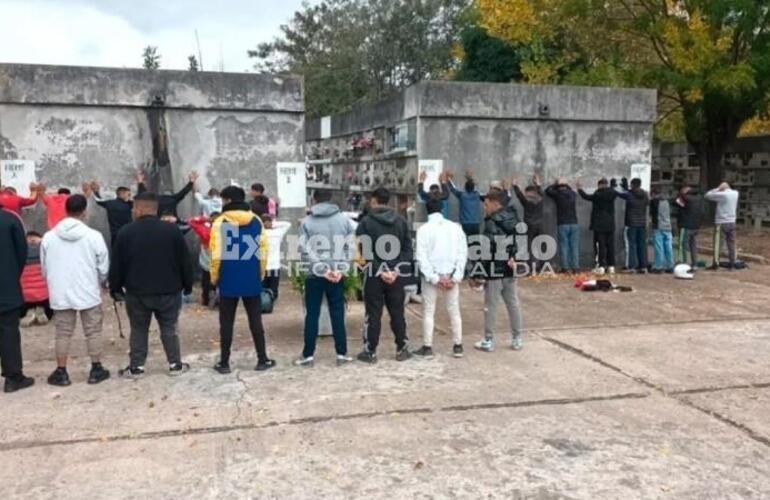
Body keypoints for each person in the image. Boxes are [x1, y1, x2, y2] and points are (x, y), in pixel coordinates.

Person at [109, 192, 194, 378]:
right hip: (169, 290)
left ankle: (137, 367)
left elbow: (117, 265)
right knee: (169, 327)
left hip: (137, 292)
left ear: (139, 209)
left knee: (139, 329)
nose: (132, 211)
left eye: (133, 208)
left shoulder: (125, 232)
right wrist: (188, 285)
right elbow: (184, 261)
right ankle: (175, 365)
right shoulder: (172, 231)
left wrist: (115, 288)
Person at [41, 195, 110, 386]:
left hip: (60, 291)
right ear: (84, 212)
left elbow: (44, 268)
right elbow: (103, 265)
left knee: (63, 332)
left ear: (65, 210)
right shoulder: (94, 236)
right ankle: (96, 369)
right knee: (93, 331)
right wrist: (100, 281)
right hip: (87, 289)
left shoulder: (49, 237)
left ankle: (61, 371)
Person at [207, 186, 275, 373]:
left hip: (228, 276)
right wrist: (259, 274)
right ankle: (263, 359)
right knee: (255, 320)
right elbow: (263, 251)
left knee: (226, 322)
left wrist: (214, 277)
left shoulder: (220, 222)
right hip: (250, 274)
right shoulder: (255, 221)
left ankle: (224, 363)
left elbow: (216, 254)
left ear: (227, 200)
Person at [294, 190, 356, 367]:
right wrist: (340, 269)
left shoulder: (307, 222)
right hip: (336, 275)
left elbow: (304, 249)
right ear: (330, 199)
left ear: (314, 200)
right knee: (337, 313)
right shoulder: (344, 221)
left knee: (312, 314)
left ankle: (308, 356)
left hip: (314, 274)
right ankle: (341, 354)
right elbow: (350, 248)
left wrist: (321, 268)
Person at [355, 187, 414, 364]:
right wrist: (395, 270)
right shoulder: (401, 222)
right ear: (388, 201)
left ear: (374, 200)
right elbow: (408, 250)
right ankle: (402, 348)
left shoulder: (365, 223)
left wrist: (380, 269)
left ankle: (370, 351)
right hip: (396, 276)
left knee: (373, 313)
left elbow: (363, 251)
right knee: (397, 312)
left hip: (373, 275)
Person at [470, 189, 524, 352]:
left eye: (486, 205)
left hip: (495, 270)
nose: (484, 208)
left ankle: (488, 340)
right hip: (510, 268)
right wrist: (516, 258)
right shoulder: (515, 218)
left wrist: (477, 273)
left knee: (491, 306)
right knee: (513, 304)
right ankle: (517, 339)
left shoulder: (491, 222)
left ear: (495, 203)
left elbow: (486, 250)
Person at [413, 198, 467, 358]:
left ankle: (427, 347)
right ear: (442, 209)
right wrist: (455, 277)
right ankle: (458, 346)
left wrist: (435, 278)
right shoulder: (456, 228)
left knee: (429, 311)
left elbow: (421, 257)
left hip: (432, 277)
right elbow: (462, 253)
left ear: (427, 210)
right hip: (451, 275)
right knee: (454, 310)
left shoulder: (423, 229)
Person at [0, 207, 34, 393]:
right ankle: (13, 377)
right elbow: (22, 253)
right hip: (6, 286)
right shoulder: (10, 220)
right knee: (8, 332)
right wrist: (12, 275)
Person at [88, 174, 146, 243]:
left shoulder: (110, 204)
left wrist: (95, 191)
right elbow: (141, 197)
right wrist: (140, 182)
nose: (130, 196)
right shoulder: (129, 204)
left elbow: (99, 200)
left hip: (115, 237)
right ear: (122, 194)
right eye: (129, 194)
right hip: (128, 236)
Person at [577, 178, 617, 275]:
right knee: (610, 245)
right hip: (610, 225)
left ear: (599, 185)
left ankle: (601, 266)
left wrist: (579, 189)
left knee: (600, 246)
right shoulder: (612, 194)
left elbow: (586, 196)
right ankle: (611, 266)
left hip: (599, 225)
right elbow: (613, 191)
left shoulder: (598, 194)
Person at [19, 231, 53, 327]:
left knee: (24, 306)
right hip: (43, 292)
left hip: (26, 292)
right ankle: (43, 311)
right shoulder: (44, 248)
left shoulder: (22, 249)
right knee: (49, 307)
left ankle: (30, 311)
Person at [512, 174, 544, 273]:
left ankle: (530, 268)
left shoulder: (526, 201)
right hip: (539, 225)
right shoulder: (540, 200)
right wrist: (538, 184)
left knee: (529, 247)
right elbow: (541, 192)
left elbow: (519, 195)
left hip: (529, 225)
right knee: (540, 246)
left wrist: (515, 185)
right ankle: (542, 266)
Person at [546, 178, 580, 273]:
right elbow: (571, 190)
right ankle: (576, 268)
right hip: (574, 223)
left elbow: (547, 191)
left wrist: (555, 184)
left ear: (558, 188)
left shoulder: (557, 195)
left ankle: (565, 267)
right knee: (574, 246)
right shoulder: (573, 194)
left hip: (562, 223)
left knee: (564, 246)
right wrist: (565, 183)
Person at [617, 178, 650, 273]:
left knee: (632, 245)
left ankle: (632, 266)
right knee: (642, 245)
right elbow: (636, 195)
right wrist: (627, 188)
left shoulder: (629, 195)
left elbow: (620, 194)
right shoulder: (645, 195)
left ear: (632, 185)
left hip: (631, 223)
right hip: (642, 223)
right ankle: (643, 266)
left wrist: (615, 187)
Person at [705, 182, 739, 269]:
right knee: (731, 243)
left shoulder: (723, 195)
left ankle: (715, 264)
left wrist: (718, 188)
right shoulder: (735, 193)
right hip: (732, 222)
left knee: (718, 244)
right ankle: (732, 263)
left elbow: (707, 195)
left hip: (721, 222)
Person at [188, 213, 218, 307]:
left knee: (206, 280)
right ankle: (215, 297)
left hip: (206, 260)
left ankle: (206, 299)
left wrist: (204, 219)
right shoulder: (224, 231)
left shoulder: (205, 230)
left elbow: (192, 221)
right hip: (218, 261)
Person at [262, 214, 292, 301]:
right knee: (274, 289)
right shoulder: (277, 233)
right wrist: (273, 224)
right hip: (274, 266)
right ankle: (271, 303)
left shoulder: (259, 233)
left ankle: (264, 304)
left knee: (263, 288)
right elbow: (287, 224)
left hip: (263, 266)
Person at [447, 170, 482, 236]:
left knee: (465, 241)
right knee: (475, 242)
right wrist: (470, 178)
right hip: (475, 222)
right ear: (473, 188)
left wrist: (449, 179)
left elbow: (453, 189)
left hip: (465, 223)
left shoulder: (462, 195)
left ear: (465, 188)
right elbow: (477, 186)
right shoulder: (477, 195)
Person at [675, 186, 703, 268]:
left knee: (682, 245)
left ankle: (683, 263)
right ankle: (694, 264)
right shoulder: (699, 199)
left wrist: (681, 193)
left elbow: (676, 201)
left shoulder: (685, 199)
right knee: (693, 245)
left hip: (686, 225)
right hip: (696, 226)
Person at [650, 189, 674, 273]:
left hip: (659, 227)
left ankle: (658, 266)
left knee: (659, 247)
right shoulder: (667, 201)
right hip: (668, 226)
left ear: (653, 194)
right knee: (668, 247)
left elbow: (652, 213)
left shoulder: (655, 202)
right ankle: (670, 265)